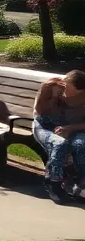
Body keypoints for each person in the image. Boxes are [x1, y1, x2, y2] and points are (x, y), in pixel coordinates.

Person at [32, 69, 85, 202]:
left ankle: (78, 182)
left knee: (80, 145)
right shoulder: (51, 87)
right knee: (60, 144)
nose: (62, 85)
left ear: (79, 90)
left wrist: (70, 128)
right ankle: (54, 184)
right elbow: (39, 112)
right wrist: (50, 95)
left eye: (67, 85)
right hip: (44, 127)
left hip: (71, 129)